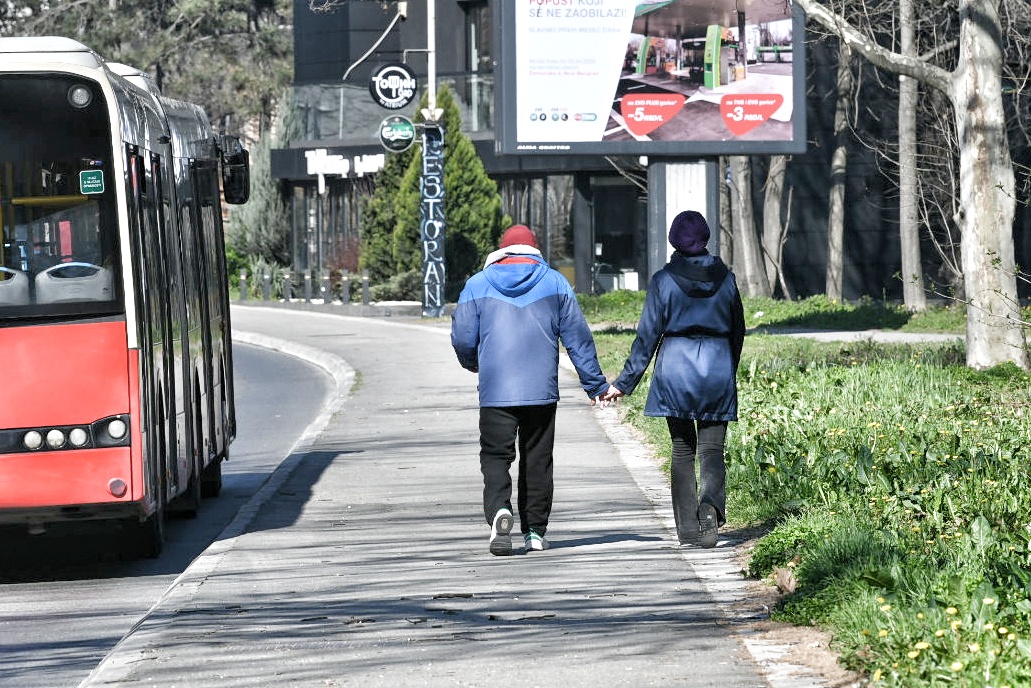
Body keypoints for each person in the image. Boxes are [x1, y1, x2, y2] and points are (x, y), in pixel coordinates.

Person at [451, 224, 611, 556]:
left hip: (495, 388)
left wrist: (473, 363)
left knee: (496, 456)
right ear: (534, 249)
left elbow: (463, 336)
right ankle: (535, 532)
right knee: (537, 459)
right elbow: (577, 338)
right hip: (541, 390)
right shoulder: (555, 282)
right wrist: (594, 384)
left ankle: (498, 511)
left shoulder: (477, 284)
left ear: (502, 250)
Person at [601, 210, 745, 548]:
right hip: (717, 367)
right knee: (713, 449)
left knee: (682, 449)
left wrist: (624, 382)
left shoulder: (663, 280)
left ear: (674, 242)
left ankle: (689, 529)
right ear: (706, 237)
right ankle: (710, 509)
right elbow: (738, 330)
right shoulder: (726, 278)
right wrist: (728, 367)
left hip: (676, 370)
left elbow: (647, 335)